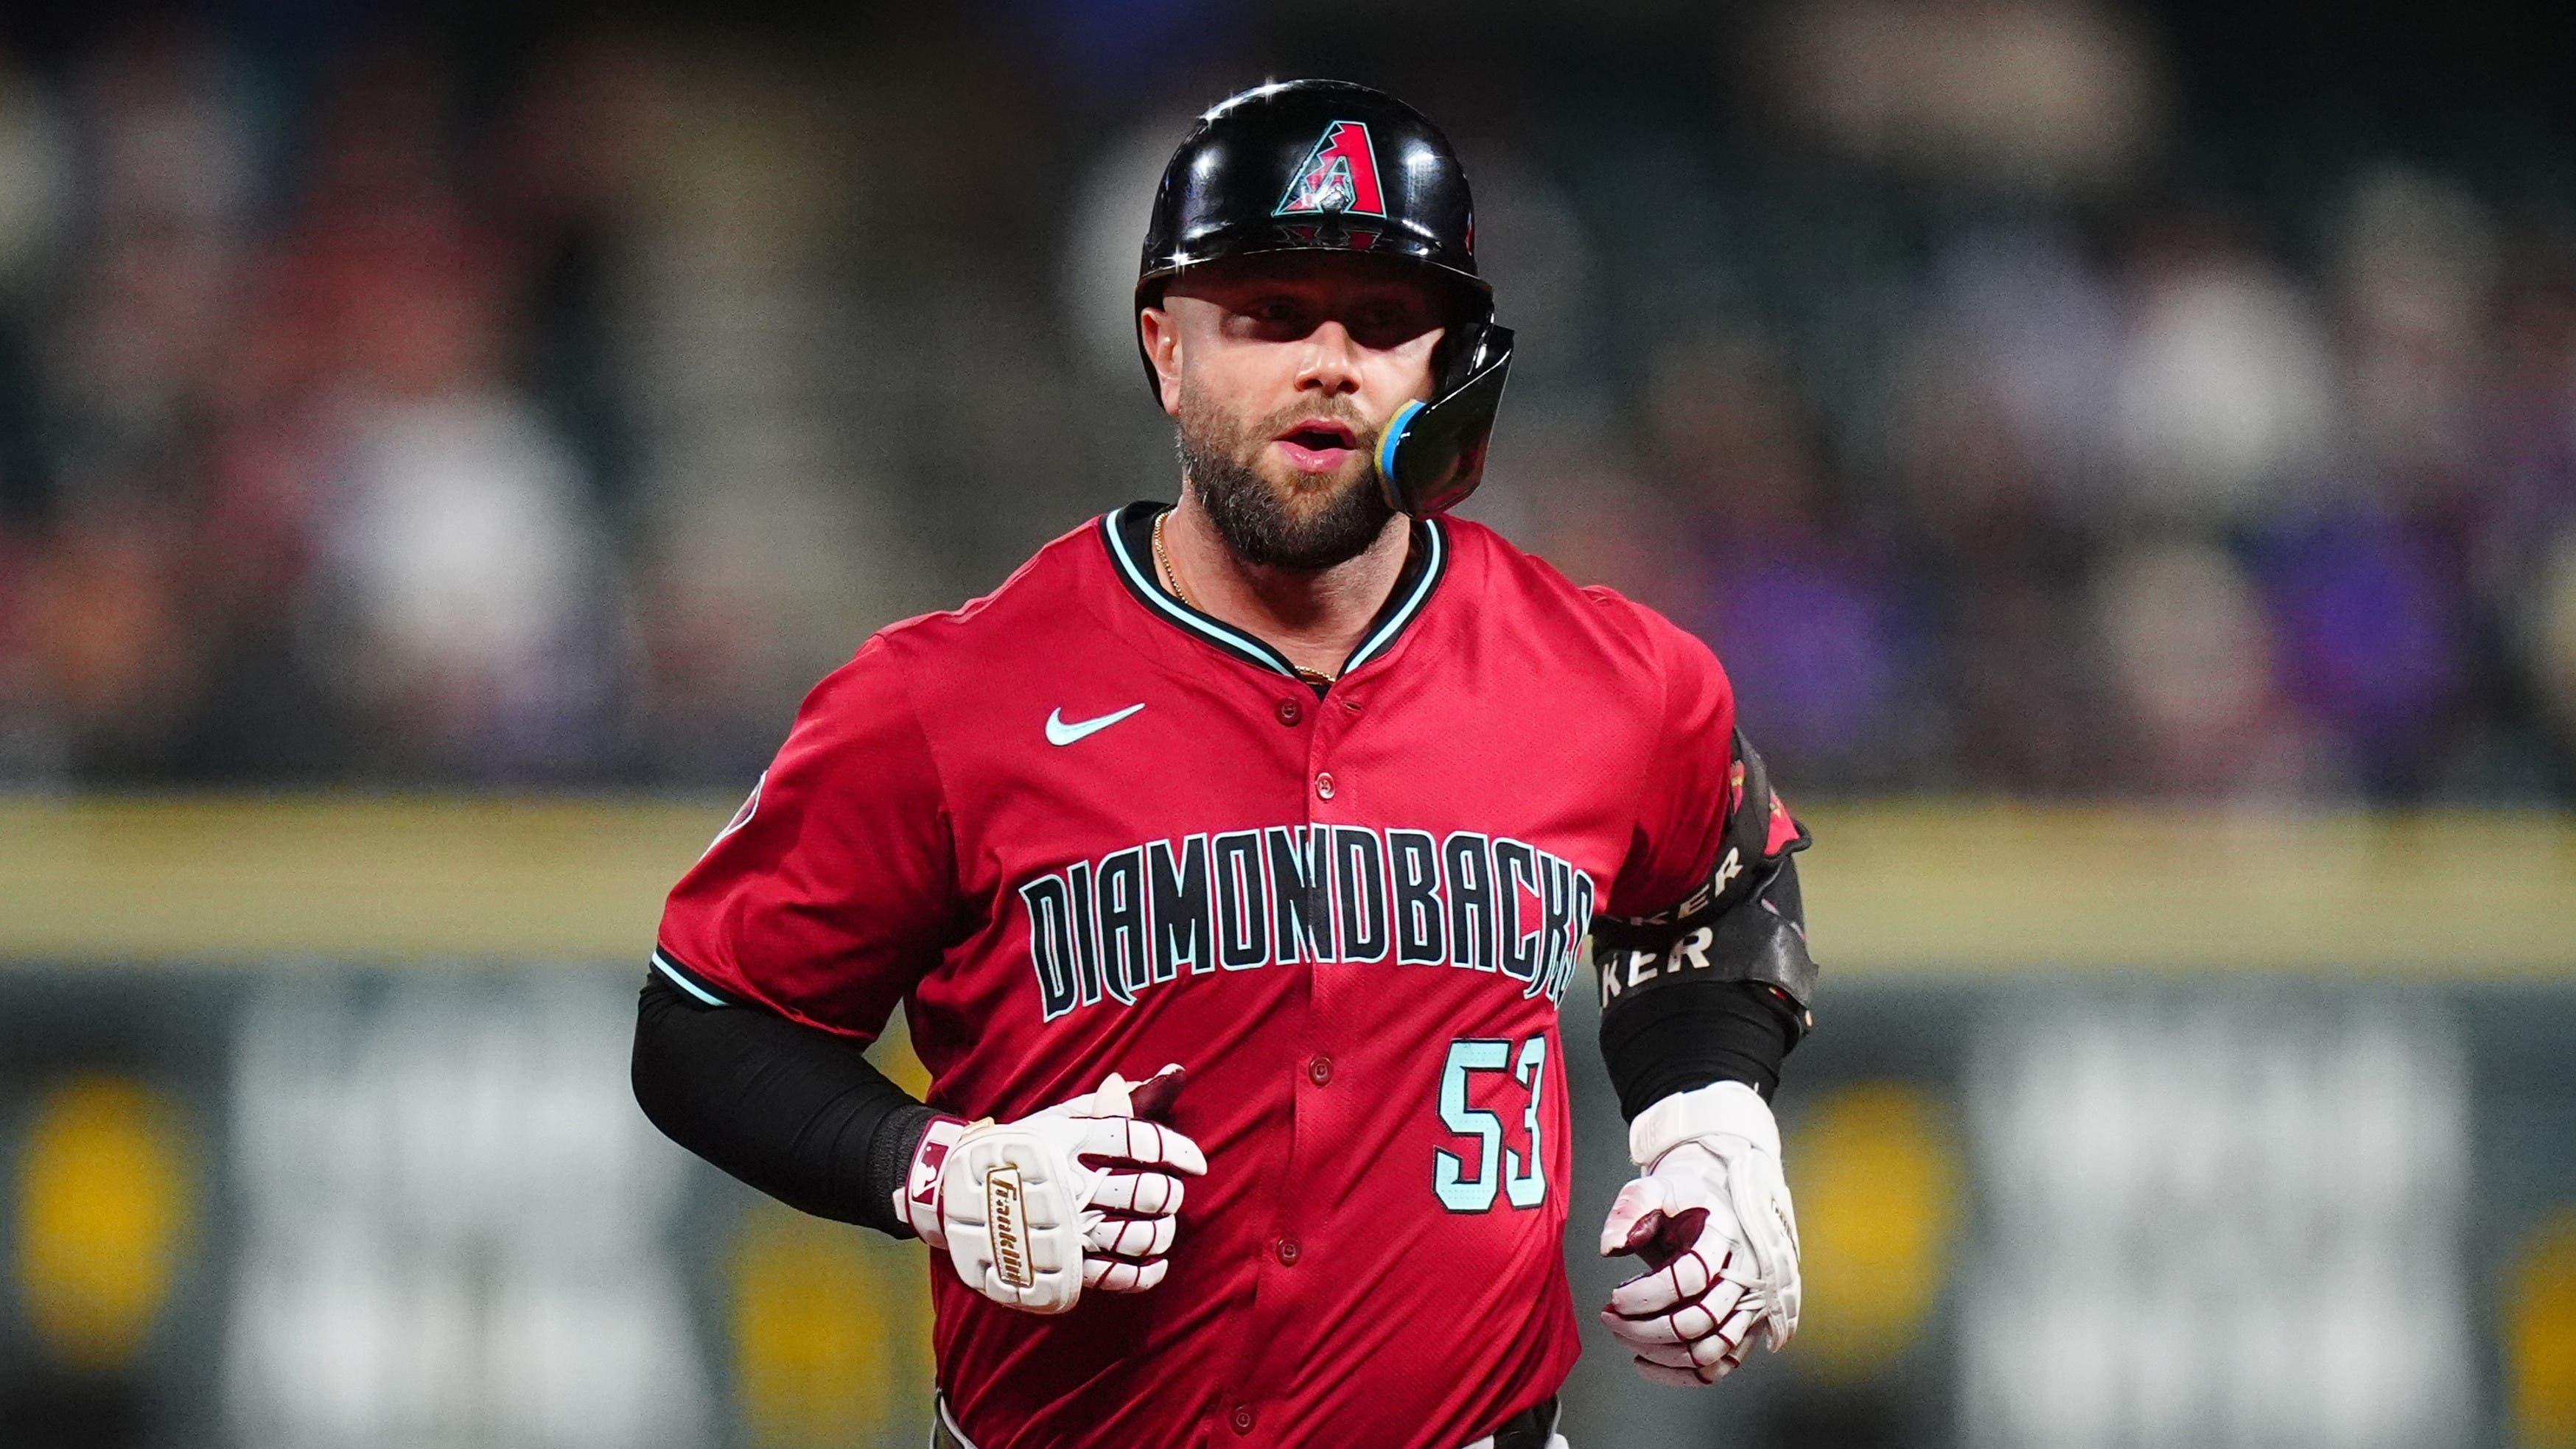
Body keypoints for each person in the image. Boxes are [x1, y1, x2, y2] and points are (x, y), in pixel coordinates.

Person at [631, 78, 1818, 1449]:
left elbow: (1717, 894)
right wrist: (934, 1169)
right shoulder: (947, 697)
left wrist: (1710, 1113)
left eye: (1384, 322)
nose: (1331, 360)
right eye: (1269, 315)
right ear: (1165, 347)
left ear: (1452, 369)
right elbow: (705, 1025)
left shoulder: (1617, 680)